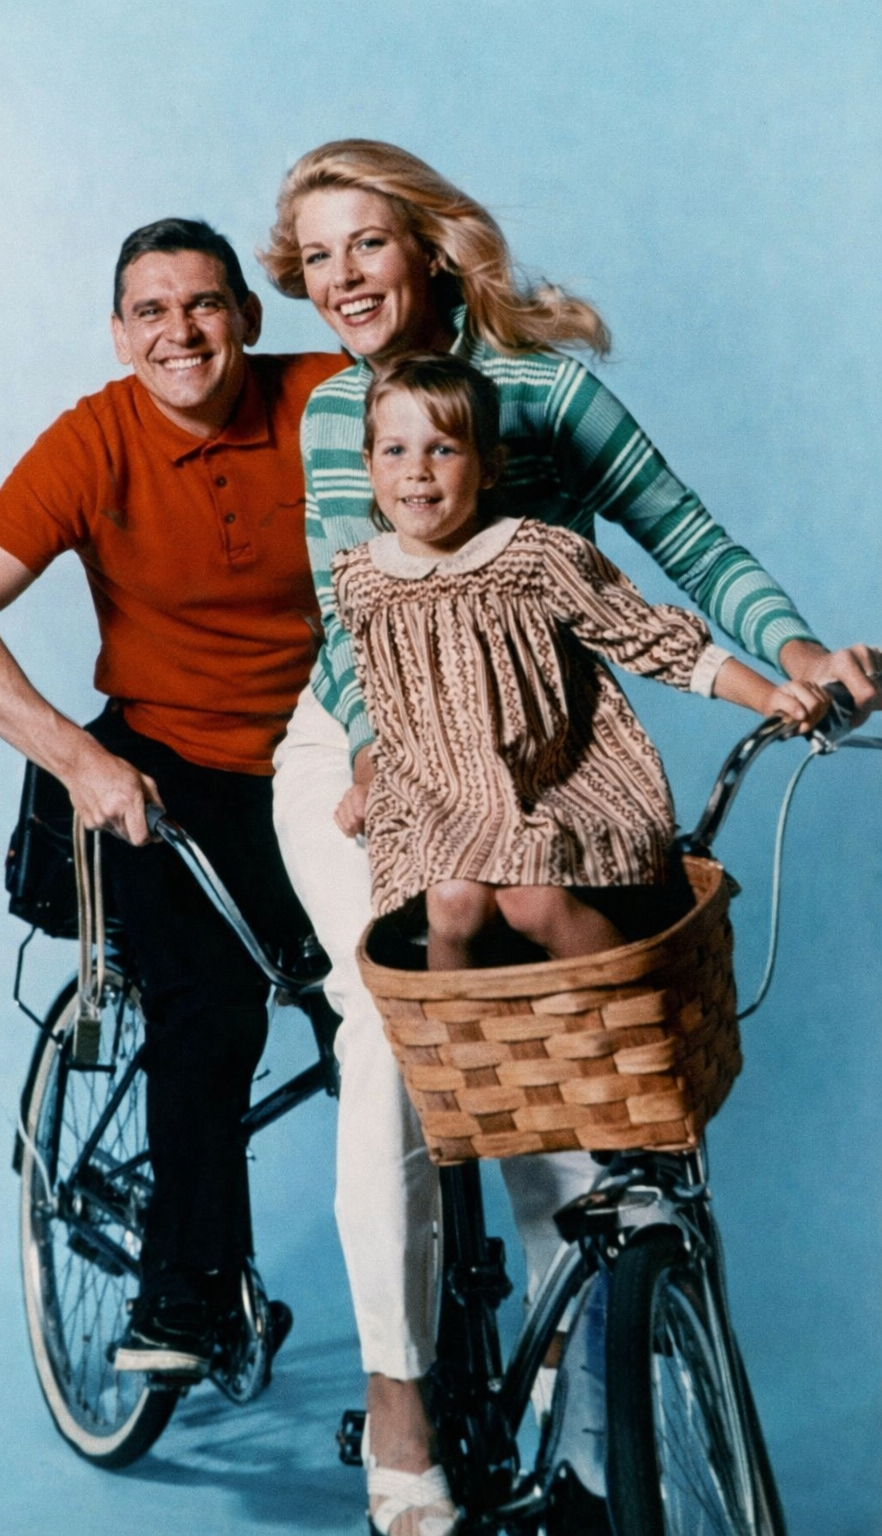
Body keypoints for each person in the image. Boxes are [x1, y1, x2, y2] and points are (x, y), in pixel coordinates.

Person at [258, 139, 882, 1536]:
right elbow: (346, 618)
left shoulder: (549, 396)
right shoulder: (336, 414)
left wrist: (793, 657)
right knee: (397, 1026)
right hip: (367, 749)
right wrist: (384, 748)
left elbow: (687, 546)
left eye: (367, 243)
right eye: (316, 257)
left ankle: (594, 1416)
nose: (343, 278)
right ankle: (401, 1392)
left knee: (560, 1038)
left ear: (428, 247)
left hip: (541, 749)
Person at [0, 217, 345, 1375]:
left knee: (392, 1016)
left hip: (322, 759)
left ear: (248, 317)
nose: (178, 332)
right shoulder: (95, 439)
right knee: (209, 1004)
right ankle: (185, 1296)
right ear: (118, 334)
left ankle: (446, 1327)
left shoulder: (326, 399)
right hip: (164, 765)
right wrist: (77, 760)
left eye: (203, 304)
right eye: (150, 311)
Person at [335, 353, 830, 973]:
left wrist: (766, 696)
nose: (417, 471)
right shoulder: (362, 580)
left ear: (490, 468)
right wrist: (368, 779)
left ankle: (633, 1002)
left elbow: (648, 637)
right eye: (395, 451)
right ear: (368, 465)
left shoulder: (533, 556)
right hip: (437, 801)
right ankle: (451, 1035)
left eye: (443, 449)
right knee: (453, 905)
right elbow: (389, 707)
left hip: (546, 785)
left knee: (533, 903)